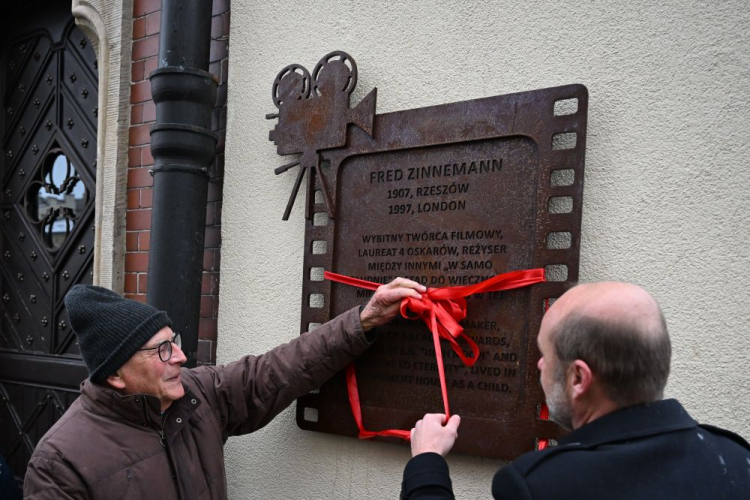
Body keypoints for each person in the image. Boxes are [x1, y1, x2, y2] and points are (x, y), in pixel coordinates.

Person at [24, 278, 425, 499]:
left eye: (175, 341)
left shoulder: (199, 393)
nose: (180, 357)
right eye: (162, 350)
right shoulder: (59, 465)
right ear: (115, 375)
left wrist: (363, 321)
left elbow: (276, 371)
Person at [401, 282, 750, 499]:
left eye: (546, 355)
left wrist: (427, 463)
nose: (539, 365)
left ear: (579, 379)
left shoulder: (544, 486)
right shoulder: (737, 460)